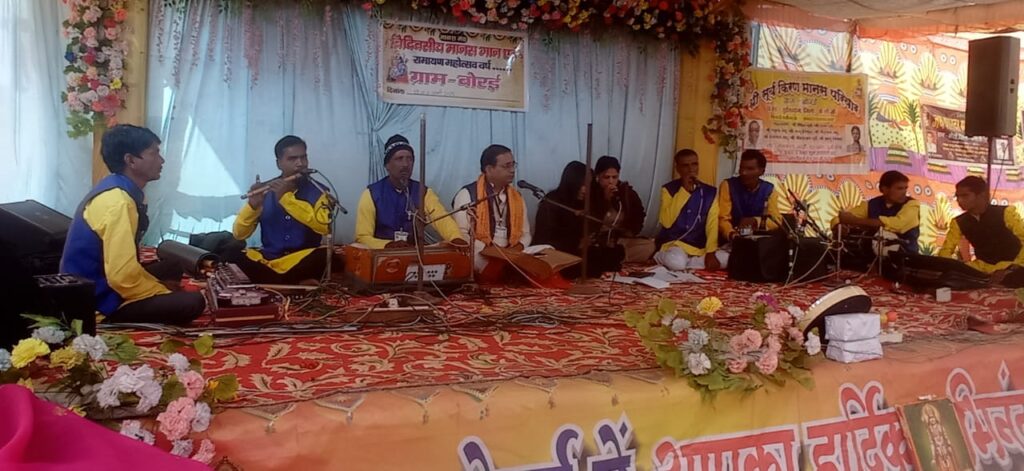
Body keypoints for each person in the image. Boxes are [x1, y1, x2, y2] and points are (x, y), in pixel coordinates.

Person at [61, 125, 205, 324]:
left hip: (104, 280)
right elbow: (121, 277)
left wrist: (157, 286)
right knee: (194, 302)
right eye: (154, 153)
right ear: (131, 160)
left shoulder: (116, 188)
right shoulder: (118, 202)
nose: (162, 160)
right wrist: (162, 291)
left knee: (172, 266)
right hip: (96, 300)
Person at [232, 135, 333, 284]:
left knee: (327, 256)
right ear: (279, 163)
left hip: (302, 258)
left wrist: (286, 199)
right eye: (292, 159)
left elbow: (324, 227)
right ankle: (291, 281)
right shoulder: (265, 190)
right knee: (232, 253)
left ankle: (274, 281)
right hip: (269, 259)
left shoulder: (320, 192)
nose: (300, 164)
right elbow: (239, 234)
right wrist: (253, 207)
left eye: (303, 157)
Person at [355, 134, 463, 250]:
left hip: (414, 252)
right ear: (387, 165)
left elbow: (441, 218)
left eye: (409, 159)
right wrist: (387, 245)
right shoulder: (372, 194)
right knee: (356, 247)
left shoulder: (423, 192)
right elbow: (362, 237)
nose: (405, 164)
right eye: (399, 159)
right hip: (381, 253)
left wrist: (455, 237)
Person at [452, 144, 532, 281]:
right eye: (506, 166)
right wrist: (491, 251)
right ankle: (505, 272)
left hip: (511, 251)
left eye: (513, 165)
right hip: (482, 252)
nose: (512, 170)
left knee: (547, 250)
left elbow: (526, 234)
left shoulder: (517, 197)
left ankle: (508, 269)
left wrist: (513, 251)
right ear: (489, 169)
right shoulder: (468, 194)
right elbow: (462, 233)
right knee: (474, 258)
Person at [533, 161, 624, 278]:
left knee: (615, 254)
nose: (585, 190)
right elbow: (542, 242)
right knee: (587, 266)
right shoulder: (552, 202)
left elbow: (592, 228)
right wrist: (577, 243)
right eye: (582, 185)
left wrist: (606, 201)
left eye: (588, 185)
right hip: (555, 254)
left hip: (577, 251)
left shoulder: (582, 202)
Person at [939, 176, 1024, 285]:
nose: (959, 201)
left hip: (1014, 267)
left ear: (981, 195)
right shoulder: (958, 222)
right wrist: (944, 267)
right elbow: (946, 250)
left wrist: (1013, 267)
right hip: (982, 269)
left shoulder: (1006, 213)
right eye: (957, 196)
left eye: (965, 195)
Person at [654, 149, 727, 271]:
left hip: (700, 247)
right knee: (677, 263)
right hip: (676, 244)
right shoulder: (668, 189)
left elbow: (712, 224)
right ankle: (659, 256)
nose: (691, 169)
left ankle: (690, 262)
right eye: (685, 166)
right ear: (678, 169)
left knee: (728, 258)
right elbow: (666, 222)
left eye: (694, 164)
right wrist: (684, 191)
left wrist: (711, 252)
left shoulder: (710, 192)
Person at [833, 170, 920, 255]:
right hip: (872, 258)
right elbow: (842, 217)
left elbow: (898, 224)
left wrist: (855, 221)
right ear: (884, 189)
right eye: (899, 188)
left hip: (905, 258)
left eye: (905, 188)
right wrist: (839, 225)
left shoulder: (912, 204)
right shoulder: (871, 204)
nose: (904, 192)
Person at [591, 155, 652, 262]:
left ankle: (614, 257)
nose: (611, 181)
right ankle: (612, 258)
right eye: (606, 177)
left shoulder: (626, 192)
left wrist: (631, 231)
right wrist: (605, 200)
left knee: (649, 246)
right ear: (598, 176)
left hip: (617, 240)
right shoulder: (590, 192)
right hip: (596, 240)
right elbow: (589, 220)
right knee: (590, 251)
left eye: (614, 177)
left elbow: (639, 214)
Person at [718, 149, 781, 241]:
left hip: (758, 242)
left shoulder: (769, 189)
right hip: (731, 240)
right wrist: (731, 234)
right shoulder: (728, 185)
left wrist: (756, 221)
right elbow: (722, 219)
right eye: (741, 168)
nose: (744, 172)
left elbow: (776, 221)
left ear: (762, 171)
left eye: (750, 169)